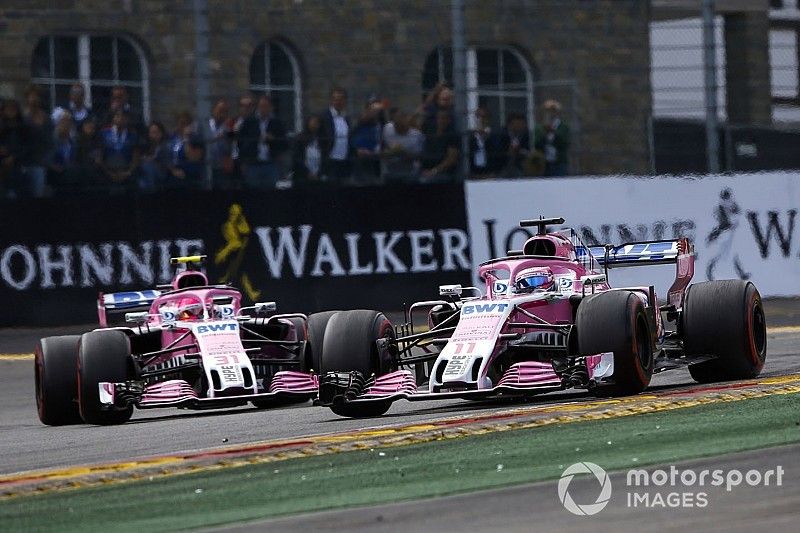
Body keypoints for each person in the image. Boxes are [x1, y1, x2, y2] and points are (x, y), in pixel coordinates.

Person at [237, 94, 288, 189]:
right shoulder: (249, 121)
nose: (263, 109)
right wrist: (244, 161)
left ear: (271, 107)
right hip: (253, 164)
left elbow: (284, 144)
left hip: (271, 163)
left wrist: (273, 139)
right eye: (261, 106)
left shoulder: (277, 123)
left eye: (266, 106)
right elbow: (240, 142)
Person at [22, 85, 51, 197]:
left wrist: (46, 161)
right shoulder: (22, 118)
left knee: (37, 196)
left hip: (39, 164)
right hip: (23, 163)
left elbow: (50, 143)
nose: (34, 99)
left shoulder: (46, 119)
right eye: (31, 96)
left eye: (36, 96)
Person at [319, 87, 353, 183]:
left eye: (341, 99)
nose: (338, 102)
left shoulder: (346, 118)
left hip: (344, 160)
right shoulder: (325, 116)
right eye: (335, 99)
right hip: (330, 160)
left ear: (345, 101)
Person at [99, 110, 140, 192]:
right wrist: (110, 173)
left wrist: (128, 172)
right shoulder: (103, 133)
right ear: (113, 118)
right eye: (117, 116)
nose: (120, 119)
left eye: (123, 117)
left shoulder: (133, 135)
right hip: (108, 172)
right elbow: (99, 157)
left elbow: (136, 156)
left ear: (127, 119)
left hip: (127, 172)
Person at [381, 109, 423, 183]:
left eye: (400, 125)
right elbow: (382, 148)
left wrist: (402, 152)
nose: (397, 128)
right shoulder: (387, 128)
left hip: (410, 174)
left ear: (406, 121)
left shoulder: (416, 135)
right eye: (396, 125)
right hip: (390, 173)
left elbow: (418, 157)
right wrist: (389, 152)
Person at [351, 96, 386, 185]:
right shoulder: (362, 122)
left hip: (376, 161)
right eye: (372, 108)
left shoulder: (382, 124)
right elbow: (353, 138)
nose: (375, 111)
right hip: (362, 160)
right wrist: (358, 149)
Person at [0, 99, 30, 198]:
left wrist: (14, 157)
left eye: (13, 109)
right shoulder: (2, 125)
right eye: (8, 109)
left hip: (18, 164)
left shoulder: (22, 126)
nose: (10, 111)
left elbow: (26, 146)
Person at [203, 99, 235, 189]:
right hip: (207, 166)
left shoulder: (228, 127)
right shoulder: (205, 125)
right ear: (213, 110)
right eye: (220, 110)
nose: (222, 114)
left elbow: (232, 147)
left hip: (222, 167)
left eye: (225, 112)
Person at [420, 109, 460, 183]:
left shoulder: (452, 135)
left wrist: (434, 171)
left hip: (443, 173)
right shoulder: (430, 131)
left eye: (444, 118)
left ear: (449, 120)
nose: (442, 120)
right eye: (439, 118)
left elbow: (452, 159)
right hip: (425, 169)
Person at [534, 99, 570, 176]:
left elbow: (565, 143)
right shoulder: (539, 128)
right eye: (547, 110)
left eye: (553, 110)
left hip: (559, 163)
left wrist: (553, 132)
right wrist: (545, 134)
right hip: (544, 164)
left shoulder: (563, 127)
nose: (550, 113)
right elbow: (536, 144)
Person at [48, 112, 79, 193]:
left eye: (69, 122)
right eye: (63, 122)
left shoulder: (72, 142)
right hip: (54, 174)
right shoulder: (51, 139)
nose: (66, 125)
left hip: (69, 174)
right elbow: (46, 158)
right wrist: (54, 166)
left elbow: (73, 159)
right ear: (58, 124)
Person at [138, 121, 172, 192]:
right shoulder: (147, 144)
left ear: (161, 133)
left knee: (147, 166)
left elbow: (165, 161)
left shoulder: (166, 145)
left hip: (162, 171)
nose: (154, 135)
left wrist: (151, 160)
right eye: (152, 132)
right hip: (148, 173)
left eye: (156, 132)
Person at [291, 114, 324, 186]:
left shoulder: (322, 139)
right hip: (302, 176)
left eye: (317, 123)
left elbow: (325, 156)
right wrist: (307, 172)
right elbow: (297, 157)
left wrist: (318, 173)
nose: (315, 125)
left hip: (317, 176)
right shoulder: (300, 138)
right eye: (313, 122)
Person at [497, 112, 531, 177]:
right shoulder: (501, 135)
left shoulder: (526, 135)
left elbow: (528, 151)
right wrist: (508, 152)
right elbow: (498, 152)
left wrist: (519, 151)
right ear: (510, 124)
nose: (521, 126)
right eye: (518, 124)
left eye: (522, 124)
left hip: (521, 167)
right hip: (503, 166)